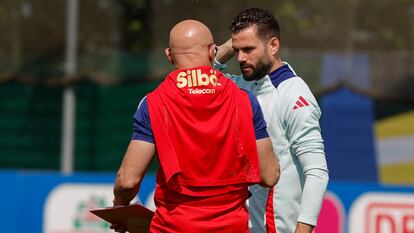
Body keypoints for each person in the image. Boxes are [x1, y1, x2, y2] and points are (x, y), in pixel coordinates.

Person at [110, 19, 280, 233]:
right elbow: (269, 175)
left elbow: (127, 181)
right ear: (212, 51)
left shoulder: (154, 103)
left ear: (169, 55)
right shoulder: (245, 101)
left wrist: (120, 206)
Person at [214, 8, 329, 233]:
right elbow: (201, 75)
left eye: (248, 49)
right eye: (236, 50)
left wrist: (303, 230)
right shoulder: (242, 84)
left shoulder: (294, 95)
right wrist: (234, 42)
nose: (240, 58)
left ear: (273, 46)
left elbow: (317, 172)